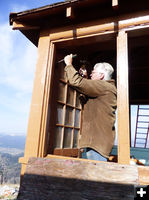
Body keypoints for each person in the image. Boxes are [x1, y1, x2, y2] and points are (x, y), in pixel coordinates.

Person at [64, 54, 117, 161]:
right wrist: (86, 78)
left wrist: (69, 64)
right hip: (98, 142)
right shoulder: (107, 88)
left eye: (93, 72)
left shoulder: (104, 86)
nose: (91, 74)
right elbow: (89, 92)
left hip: (96, 144)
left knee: (95, 176)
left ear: (101, 76)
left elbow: (76, 82)